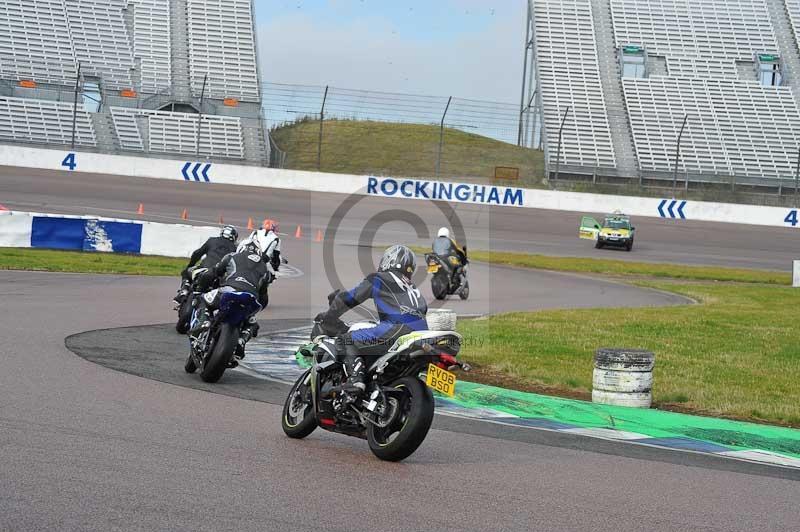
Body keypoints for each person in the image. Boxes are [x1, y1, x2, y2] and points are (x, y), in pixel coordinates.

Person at [315, 245, 428, 396]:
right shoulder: (414, 289)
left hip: (396, 330)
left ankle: (356, 380)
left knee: (345, 340)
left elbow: (349, 299)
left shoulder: (378, 278)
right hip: (422, 336)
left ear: (389, 260)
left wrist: (330, 316)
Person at [188, 240, 274, 354]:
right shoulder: (265, 269)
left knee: (203, 299)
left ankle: (203, 321)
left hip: (229, 291)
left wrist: (200, 288)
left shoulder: (231, 256)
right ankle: (242, 340)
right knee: (252, 324)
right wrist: (255, 309)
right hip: (250, 298)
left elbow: (212, 273)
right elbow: (263, 298)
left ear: (241, 248)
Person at [174, 225, 238, 303]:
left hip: (204, 269)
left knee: (186, 271)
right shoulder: (235, 249)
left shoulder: (212, 240)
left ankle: (184, 290)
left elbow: (197, 253)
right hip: (220, 276)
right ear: (234, 237)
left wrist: (191, 264)